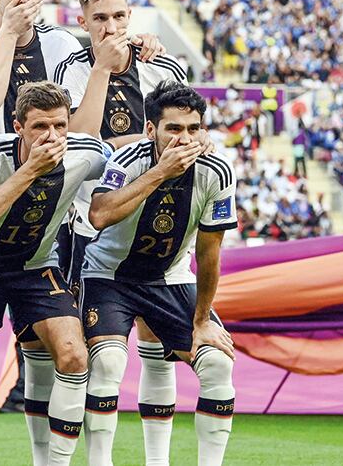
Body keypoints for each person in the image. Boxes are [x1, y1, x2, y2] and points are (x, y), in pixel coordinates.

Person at [0, 0, 160, 461]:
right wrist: (7, 37)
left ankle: (47, 456)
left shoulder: (65, 46)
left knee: (47, 346)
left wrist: (139, 45)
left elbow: (84, 126)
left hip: (52, 216)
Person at [0, 81, 107, 466]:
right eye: (40, 127)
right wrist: (29, 171)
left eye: (60, 126)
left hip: (33, 266)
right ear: (18, 126)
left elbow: (128, 159)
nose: (52, 136)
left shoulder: (85, 153)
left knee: (75, 356)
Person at [52, 0, 190, 463]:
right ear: (82, 21)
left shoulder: (163, 66)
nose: (111, 27)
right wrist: (102, 73)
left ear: (130, 17)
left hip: (158, 222)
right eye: (100, 18)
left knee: (159, 347)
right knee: (103, 356)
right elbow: (77, 144)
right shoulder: (71, 67)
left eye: (119, 16)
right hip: (92, 225)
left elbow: (183, 138)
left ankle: (157, 460)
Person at [82, 81, 237, 466]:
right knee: (107, 363)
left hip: (170, 276)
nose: (185, 139)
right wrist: (160, 172)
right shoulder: (128, 160)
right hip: (108, 275)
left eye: (193, 129)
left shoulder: (216, 172)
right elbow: (99, 214)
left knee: (217, 362)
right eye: (173, 129)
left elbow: (209, 251)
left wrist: (202, 320)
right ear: (151, 129)